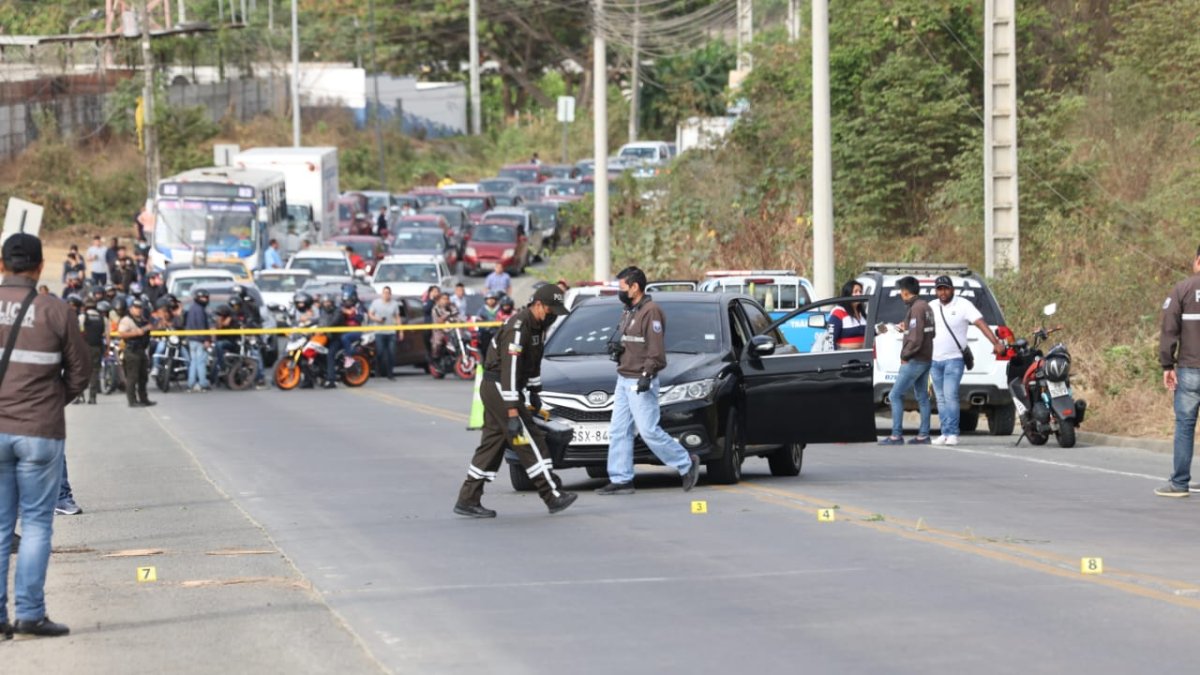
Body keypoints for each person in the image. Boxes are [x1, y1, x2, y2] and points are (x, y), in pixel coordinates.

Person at [0, 233, 91, 638]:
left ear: (2, 266)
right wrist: (52, 402)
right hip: (40, 432)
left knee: (1, 526)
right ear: (39, 268)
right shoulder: (57, 310)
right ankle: (31, 615)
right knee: (36, 524)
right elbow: (81, 372)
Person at [454, 284, 576, 518]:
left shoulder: (538, 326)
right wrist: (512, 411)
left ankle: (467, 498)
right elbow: (509, 371)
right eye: (551, 310)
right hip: (500, 387)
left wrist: (535, 391)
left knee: (491, 446)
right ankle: (551, 495)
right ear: (538, 305)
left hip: (505, 388)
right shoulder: (518, 328)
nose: (553, 316)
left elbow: (532, 364)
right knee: (529, 439)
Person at [595, 267, 700, 495]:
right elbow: (633, 341)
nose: (619, 292)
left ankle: (686, 461)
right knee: (619, 430)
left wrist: (646, 375)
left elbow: (656, 352)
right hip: (624, 378)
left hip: (640, 380)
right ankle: (621, 479)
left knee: (648, 430)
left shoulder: (651, 312)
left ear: (635, 287)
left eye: (622, 288)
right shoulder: (629, 310)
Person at [929, 275, 1006, 446]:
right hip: (934, 361)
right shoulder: (932, 306)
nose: (943, 292)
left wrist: (996, 342)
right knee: (940, 398)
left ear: (952, 290)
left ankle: (953, 434)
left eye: (946, 288)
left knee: (950, 396)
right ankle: (945, 432)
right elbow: (920, 328)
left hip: (954, 360)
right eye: (939, 289)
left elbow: (980, 323)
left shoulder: (963, 305)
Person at [1156, 246, 1200, 498]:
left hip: (1190, 370)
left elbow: (1169, 330)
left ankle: (1180, 483)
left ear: (1198, 260)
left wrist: (1167, 364)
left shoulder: (1182, 289)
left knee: (1185, 425)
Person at [880, 276, 936, 445]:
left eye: (900, 292)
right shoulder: (926, 307)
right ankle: (923, 435)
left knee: (895, 395)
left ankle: (896, 435)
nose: (900, 295)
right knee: (922, 397)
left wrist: (905, 355)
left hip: (914, 360)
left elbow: (916, 338)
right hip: (926, 358)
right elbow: (929, 333)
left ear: (905, 292)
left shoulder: (916, 309)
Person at [117, 298, 156, 408]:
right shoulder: (127, 320)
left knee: (143, 377)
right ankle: (132, 401)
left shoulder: (143, 319)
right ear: (131, 308)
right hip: (131, 351)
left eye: (140, 308)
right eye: (136, 308)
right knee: (132, 377)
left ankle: (144, 399)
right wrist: (137, 332)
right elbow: (122, 334)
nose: (138, 310)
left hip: (141, 350)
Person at [368, 286, 402, 381]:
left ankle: (390, 373)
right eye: (384, 293)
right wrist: (377, 319)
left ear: (390, 294)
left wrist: (401, 330)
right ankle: (378, 369)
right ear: (382, 294)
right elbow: (370, 314)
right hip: (379, 331)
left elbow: (397, 317)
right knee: (380, 351)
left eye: (388, 293)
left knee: (391, 353)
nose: (386, 295)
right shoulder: (376, 303)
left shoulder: (394, 304)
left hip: (391, 332)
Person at [80, 297, 107, 405]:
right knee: (95, 372)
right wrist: (107, 348)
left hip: (84, 347)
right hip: (97, 347)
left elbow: (78, 331)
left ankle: (80, 396)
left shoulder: (83, 317)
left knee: (81, 372)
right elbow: (107, 335)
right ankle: (92, 397)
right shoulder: (102, 318)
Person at [184, 289, 212, 392]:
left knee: (194, 362)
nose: (204, 300)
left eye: (205, 297)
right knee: (200, 362)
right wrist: (205, 339)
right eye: (202, 298)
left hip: (192, 339)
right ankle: (202, 383)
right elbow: (201, 326)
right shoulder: (199, 309)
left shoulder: (192, 308)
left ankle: (191, 384)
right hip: (199, 340)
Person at [829, 279, 868, 350]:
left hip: (863, 357)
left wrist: (887, 328)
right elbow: (831, 340)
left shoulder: (862, 313)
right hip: (844, 358)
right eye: (855, 291)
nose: (859, 294)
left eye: (860, 291)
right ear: (848, 293)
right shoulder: (838, 312)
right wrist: (833, 359)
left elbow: (872, 331)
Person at [476, 292, 502, 361]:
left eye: (493, 299)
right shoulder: (482, 310)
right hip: (486, 333)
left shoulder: (500, 309)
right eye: (488, 299)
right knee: (485, 349)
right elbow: (478, 321)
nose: (490, 301)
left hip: (498, 333)